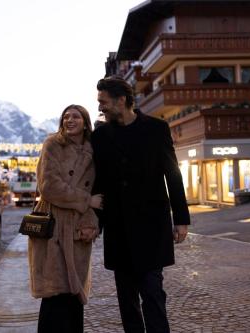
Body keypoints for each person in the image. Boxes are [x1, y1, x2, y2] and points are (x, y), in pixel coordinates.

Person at [91, 76, 191, 333]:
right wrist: (94, 222)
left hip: (152, 227)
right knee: (127, 300)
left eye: (103, 101)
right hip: (118, 229)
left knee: (153, 293)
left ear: (121, 100)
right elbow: (96, 182)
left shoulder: (157, 128)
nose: (100, 107)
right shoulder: (100, 134)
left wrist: (181, 218)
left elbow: (173, 173)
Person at [28, 104, 103, 333]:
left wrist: (92, 220)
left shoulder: (93, 150)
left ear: (85, 121)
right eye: (66, 117)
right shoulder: (53, 144)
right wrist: (86, 200)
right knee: (54, 292)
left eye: (75, 116)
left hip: (78, 227)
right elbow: (48, 186)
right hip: (53, 224)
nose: (70, 120)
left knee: (74, 292)